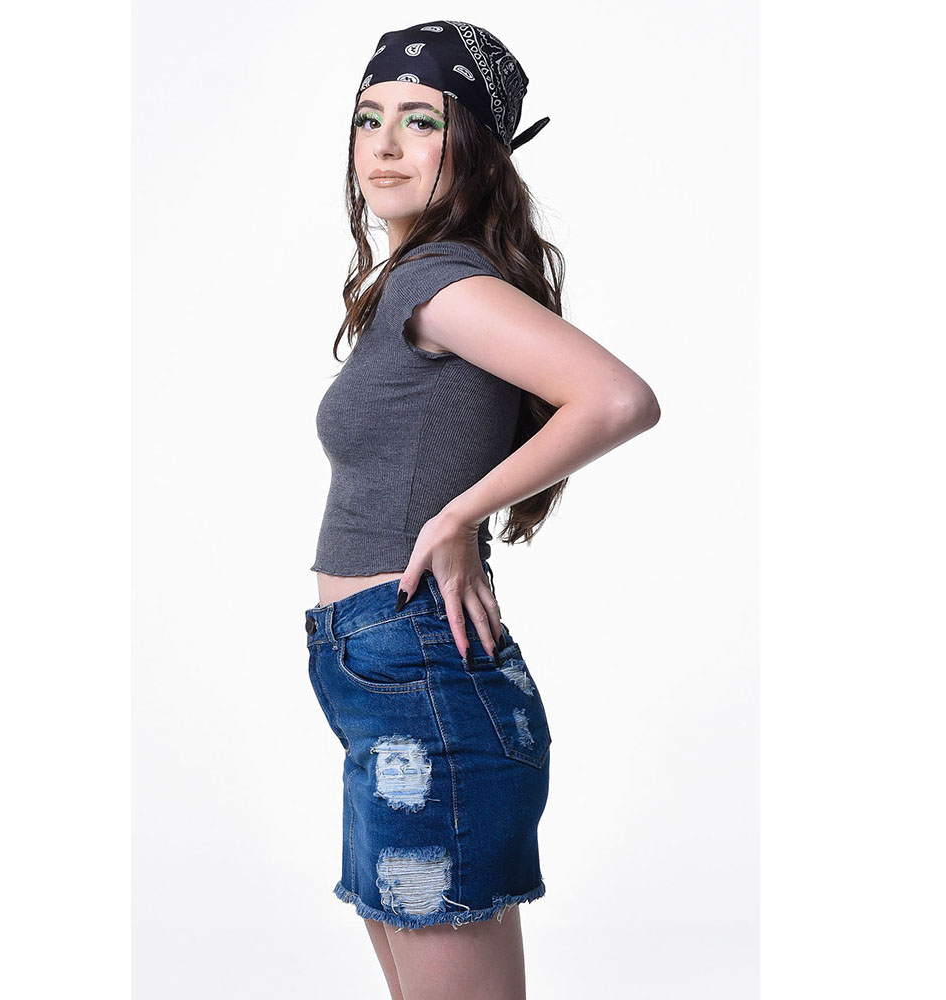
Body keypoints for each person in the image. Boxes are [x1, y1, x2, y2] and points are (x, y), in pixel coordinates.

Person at [303, 20, 661, 1000]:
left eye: (421, 120)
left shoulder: (439, 282)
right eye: (368, 117)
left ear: (477, 147)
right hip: (383, 675)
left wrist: (458, 516)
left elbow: (618, 398)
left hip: (420, 676)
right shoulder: (407, 286)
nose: (384, 144)